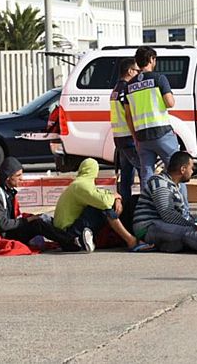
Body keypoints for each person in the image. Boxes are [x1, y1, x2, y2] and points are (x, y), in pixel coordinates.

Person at [0, 157, 75, 257]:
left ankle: (70, 238)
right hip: (5, 235)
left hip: (11, 228)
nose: (22, 178)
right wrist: (27, 220)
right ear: (8, 178)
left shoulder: (7, 190)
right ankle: (71, 243)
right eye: (18, 175)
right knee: (37, 224)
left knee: (42, 218)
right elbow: (2, 224)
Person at [54, 158, 152, 252]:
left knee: (103, 204)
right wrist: (115, 198)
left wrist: (117, 197)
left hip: (69, 229)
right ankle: (131, 240)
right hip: (68, 233)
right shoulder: (81, 185)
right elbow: (104, 202)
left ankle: (129, 238)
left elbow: (102, 193)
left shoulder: (79, 183)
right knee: (105, 208)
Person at [124, 46, 180, 190]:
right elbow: (170, 103)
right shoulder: (159, 78)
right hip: (162, 133)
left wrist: (134, 136)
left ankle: (147, 209)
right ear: (151, 59)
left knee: (146, 174)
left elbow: (128, 115)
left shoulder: (129, 86)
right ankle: (181, 209)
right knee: (176, 170)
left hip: (142, 136)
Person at [109, 57, 142, 203]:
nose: (138, 74)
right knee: (143, 172)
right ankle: (145, 206)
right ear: (129, 71)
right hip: (129, 137)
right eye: (136, 70)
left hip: (119, 138)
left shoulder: (116, 89)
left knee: (126, 177)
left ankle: (126, 207)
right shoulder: (127, 89)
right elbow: (130, 114)